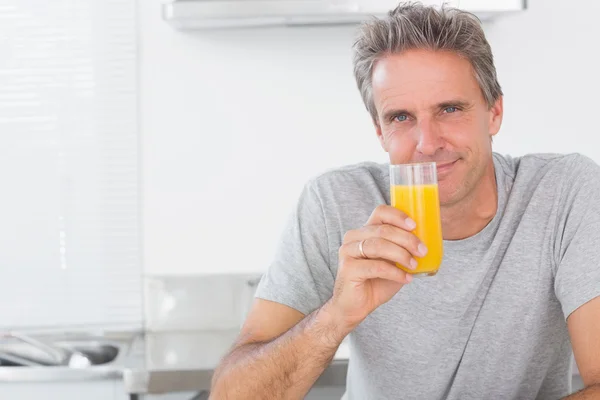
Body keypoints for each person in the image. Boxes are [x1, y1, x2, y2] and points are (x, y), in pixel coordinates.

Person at [210, 3, 600, 399]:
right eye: (401, 117)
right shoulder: (334, 203)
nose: (427, 144)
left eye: (449, 109)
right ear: (379, 131)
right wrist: (337, 315)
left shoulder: (564, 194)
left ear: (494, 112)